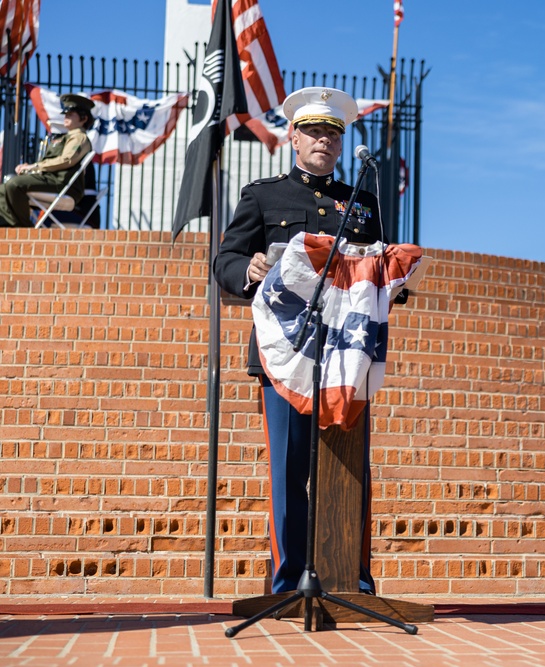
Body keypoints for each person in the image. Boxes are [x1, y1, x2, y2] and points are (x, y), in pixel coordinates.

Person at [213, 87, 384, 595]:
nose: (324, 141)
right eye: (313, 131)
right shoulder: (263, 195)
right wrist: (251, 267)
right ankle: (288, 584)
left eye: (333, 133)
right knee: (288, 474)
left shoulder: (363, 201)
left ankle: (350, 579)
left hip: (344, 357)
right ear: (293, 136)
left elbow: (373, 271)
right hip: (285, 356)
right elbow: (224, 263)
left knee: (350, 471)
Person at [0, 93, 94, 228]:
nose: (66, 117)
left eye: (70, 114)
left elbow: (66, 160)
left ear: (84, 118)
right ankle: (8, 227)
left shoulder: (79, 137)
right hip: (51, 180)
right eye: (65, 114)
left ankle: (24, 229)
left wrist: (35, 166)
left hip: (62, 184)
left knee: (15, 185)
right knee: (2, 190)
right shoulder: (65, 138)